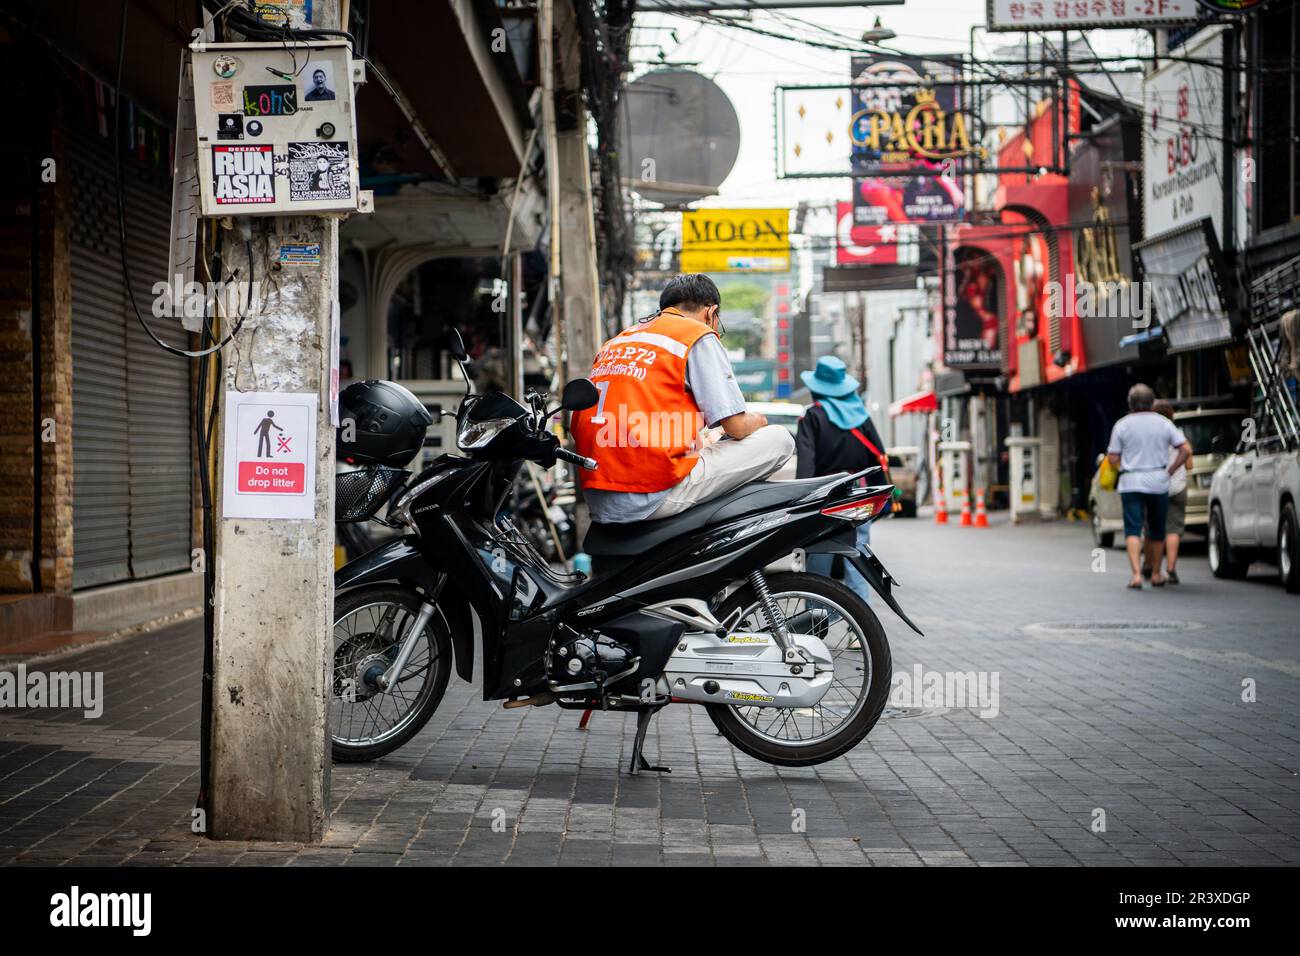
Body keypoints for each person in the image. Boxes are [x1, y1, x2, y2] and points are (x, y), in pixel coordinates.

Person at [571, 274, 794, 523]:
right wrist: (759, 420)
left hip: (598, 494)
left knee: (708, 442)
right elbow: (737, 427)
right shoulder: (696, 335)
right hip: (650, 492)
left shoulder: (617, 342)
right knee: (780, 439)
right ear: (711, 312)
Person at [795, 356, 888, 604]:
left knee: (819, 561)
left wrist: (800, 503)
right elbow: (878, 457)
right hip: (859, 495)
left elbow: (806, 466)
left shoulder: (812, 417)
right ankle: (862, 624)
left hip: (826, 496)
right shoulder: (861, 416)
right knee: (857, 558)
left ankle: (815, 623)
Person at [1106, 384, 1192, 589]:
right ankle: (1155, 574)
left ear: (1130, 404)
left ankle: (1136, 575)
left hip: (1131, 482)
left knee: (1133, 529)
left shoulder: (1122, 425)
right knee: (1157, 529)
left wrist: (1124, 462)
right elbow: (1186, 450)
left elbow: (1112, 458)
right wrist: (1170, 470)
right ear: (1152, 402)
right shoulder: (1163, 423)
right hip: (1157, 481)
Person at [1151, 400, 1187, 585]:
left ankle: (1151, 567)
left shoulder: (1152, 435)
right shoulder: (1178, 433)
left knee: (1154, 527)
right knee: (1174, 528)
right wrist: (1175, 469)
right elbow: (1188, 460)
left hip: (1157, 486)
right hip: (1178, 486)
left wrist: (1167, 470)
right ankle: (1171, 567)